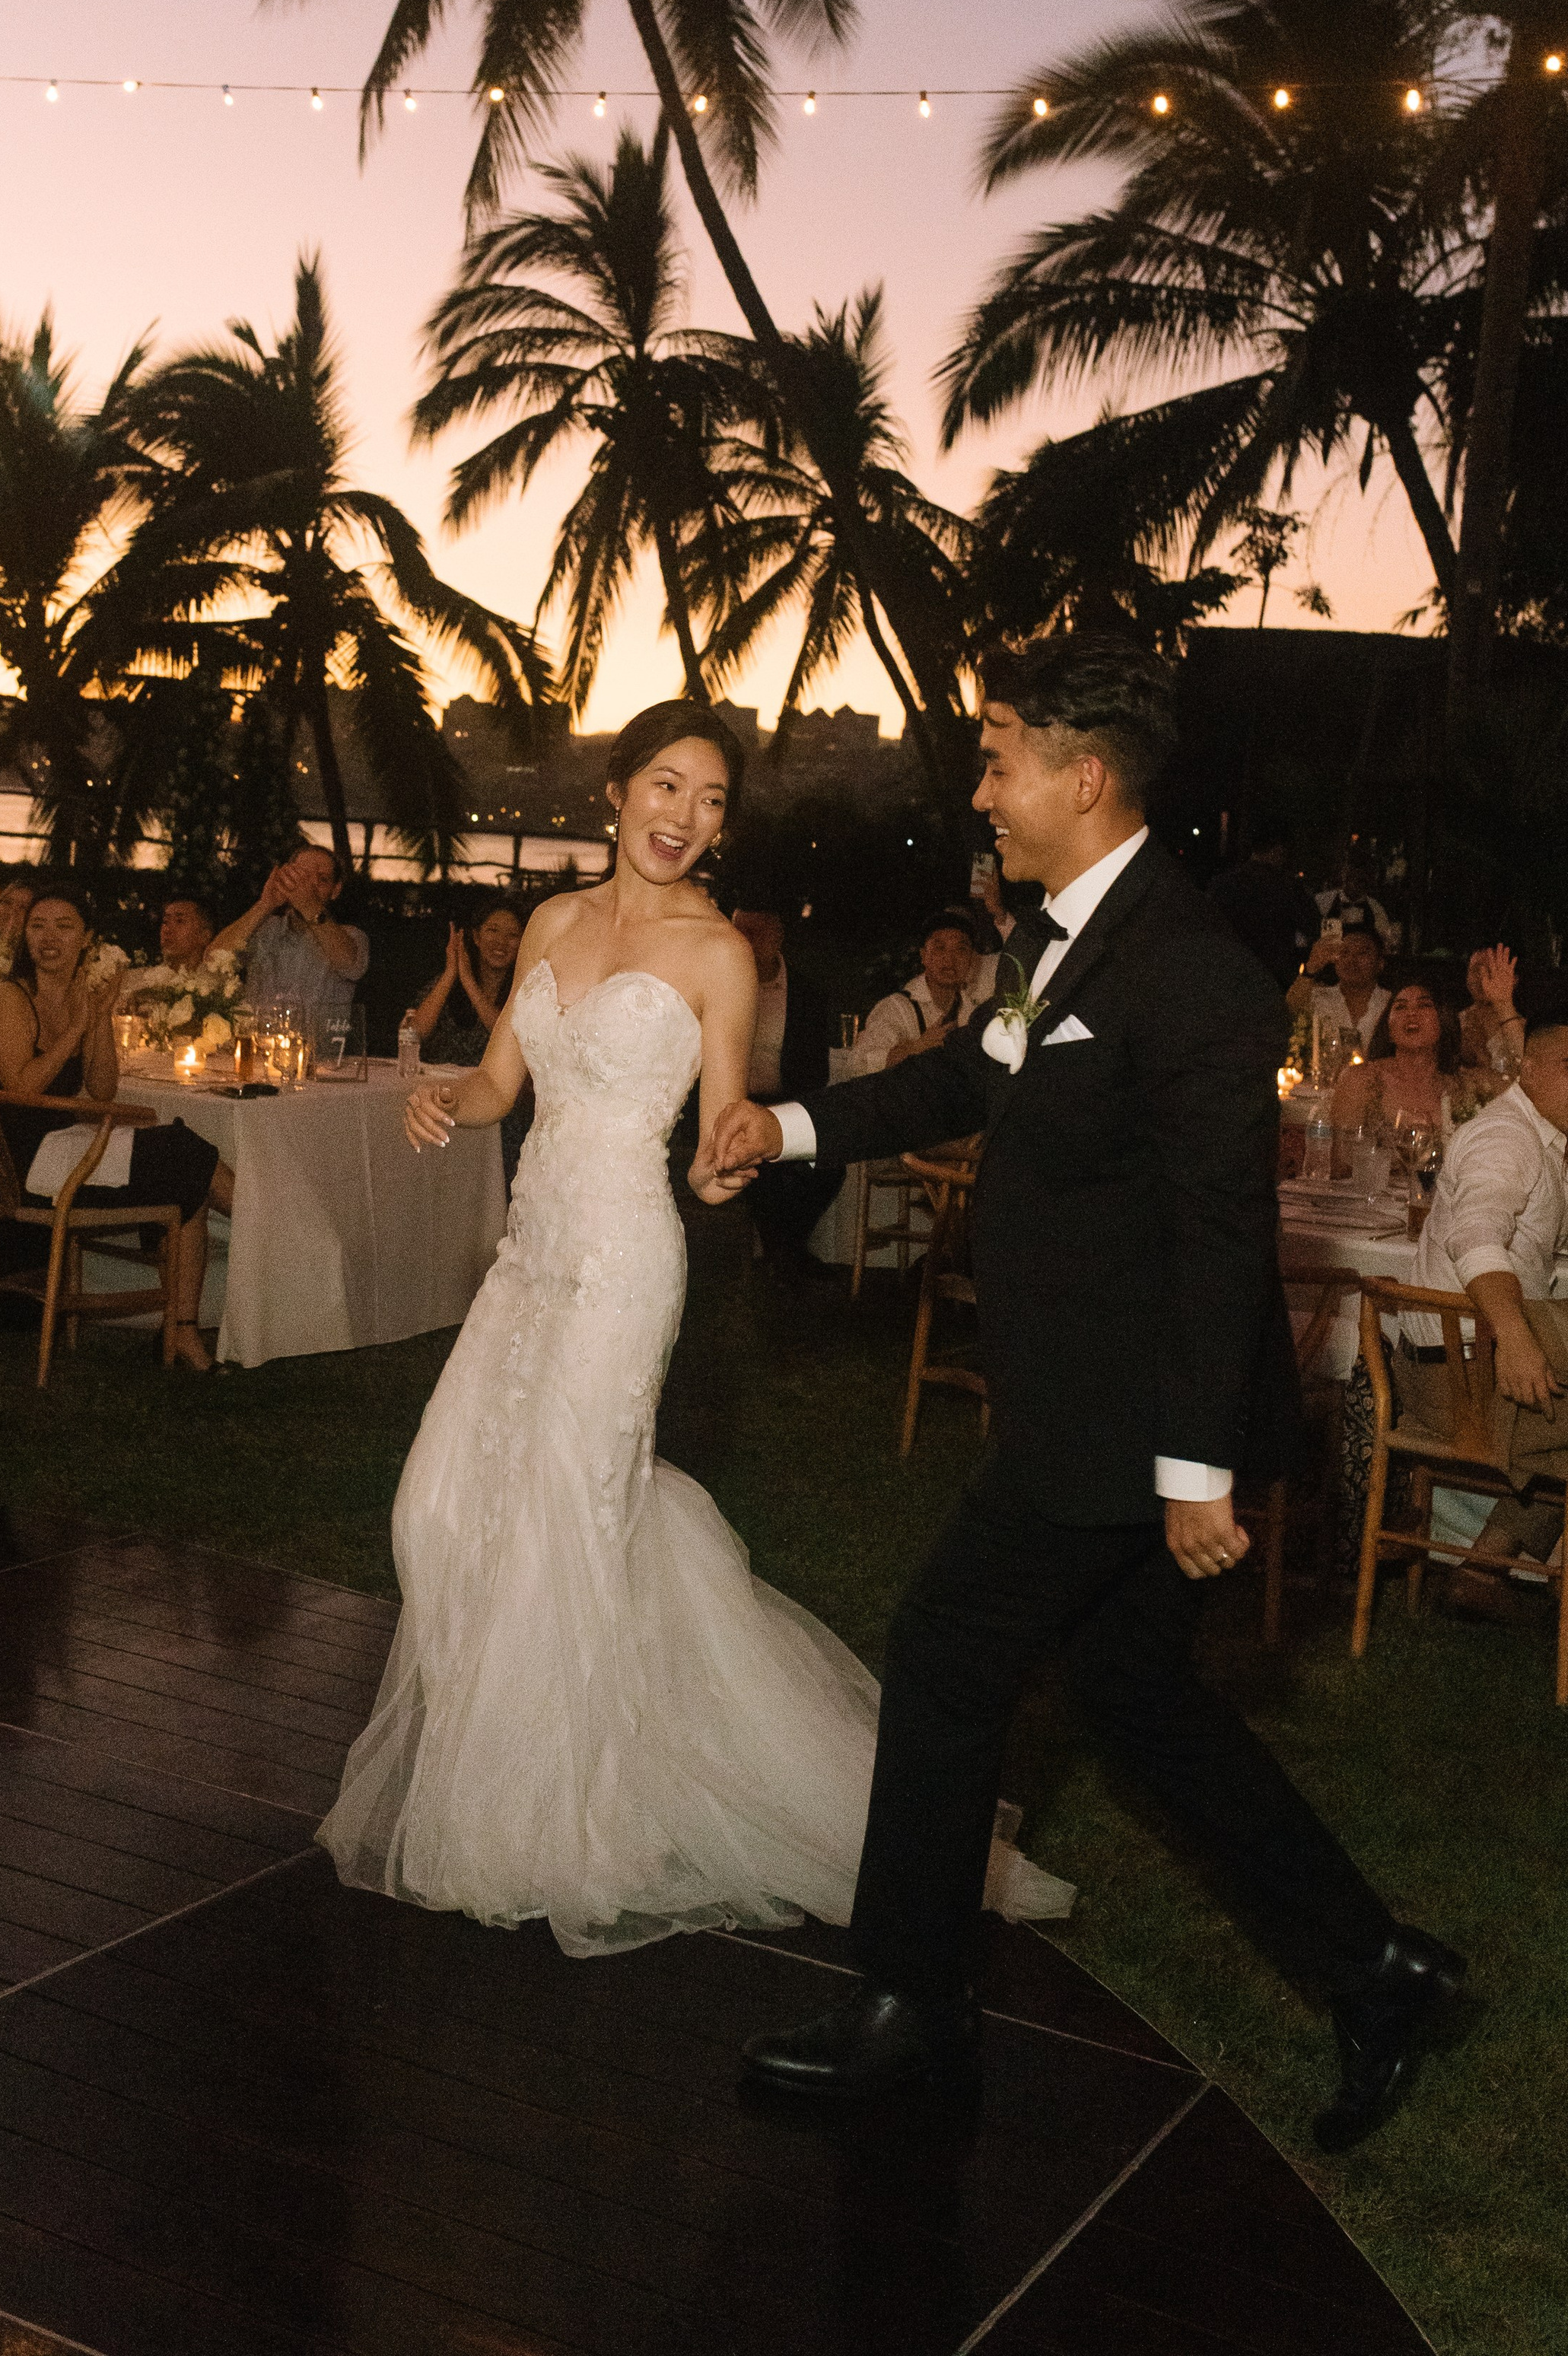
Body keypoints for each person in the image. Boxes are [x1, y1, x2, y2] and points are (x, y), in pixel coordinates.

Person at [709, 634, 1463, 2154]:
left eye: (995, 760)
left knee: (937, 1658)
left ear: (1081, 775)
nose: (977, 790)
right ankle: (1379, 1972)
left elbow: (1216, 1228)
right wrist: (782, 1129)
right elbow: (952, 1084)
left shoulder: (1186, 972)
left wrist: (1191, 1472)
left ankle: (906, 2006)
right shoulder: (1055, 941)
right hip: (1105, 1411)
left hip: (1125, 1426)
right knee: (1136, 1701)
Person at [317, 698, 1060, 1960]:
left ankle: (569, 1814)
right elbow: (505, 1082)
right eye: (669, 787)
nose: (687, 820)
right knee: (439, 1506)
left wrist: (729, 1166)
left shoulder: (718, 952)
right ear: (617, 789)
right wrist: (448, 1096)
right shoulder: (551, 922)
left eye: (713, 803)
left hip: (620, 1263)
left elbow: (722, 1128)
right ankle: (502, 1758)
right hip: (526, 1258)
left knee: (567, 1507)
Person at [0, 879, 233, 1372]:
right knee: (184, 1151)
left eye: (64, 926)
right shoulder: (10, 998)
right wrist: (76, 1025)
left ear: (86, 939)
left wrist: (99, 1017)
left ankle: (180, 1331)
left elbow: (102, 1090)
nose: (49, 937)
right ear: (25, 937)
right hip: (19, 1162)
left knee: (188, 1173)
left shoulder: (79, 995)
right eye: (37, 926)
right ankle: (273, 1239)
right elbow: (24, 1092)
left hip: (67, 1150)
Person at [1395, 981, 1568, 1627]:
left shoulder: (1548, 1141)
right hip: (1453, 1377)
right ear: (1527, 1065)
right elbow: (1474, 1236)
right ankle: (1488, 1569)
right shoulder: (1508, 1139)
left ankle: (1482, 1568)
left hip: (1466, 1363)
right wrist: (1518, 1338)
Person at [728, 903, 843, 1274]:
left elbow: (816, 1070)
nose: (747, 941)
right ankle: (786, 1259)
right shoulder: (721, 981)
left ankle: (785, 1250)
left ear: (777, 936)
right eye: (741, 931)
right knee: (762, 1173)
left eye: (757, 932)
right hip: (730, 1103)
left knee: (827, 1166)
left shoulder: (806, 992)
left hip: (787, 1103)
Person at [1331, 981, 1489, 1151]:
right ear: (1389, 1030)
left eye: (1424, 1005)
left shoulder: (1466, 1084)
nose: (1412, 1013)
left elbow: (1521, 1091)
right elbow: (1341, 1164)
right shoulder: (1361, 1080)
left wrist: (1504, 1006)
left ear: (1443, 1021)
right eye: (1400, 1007)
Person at [851, 906, 1000, 1075]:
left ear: (972, 958)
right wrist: (916, 1047)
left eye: (961, 949)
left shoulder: (972, 1007)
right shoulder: (897, 1008)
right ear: (924, 956)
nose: (950, 959)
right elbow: (859, 1063)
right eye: (940, 948)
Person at [240, 845, 369, 1019]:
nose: (309, 885)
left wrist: (308, 903)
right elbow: (212, 958)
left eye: (322, 880)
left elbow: (351, 965)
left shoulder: (351, 936)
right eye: (302, 876)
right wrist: (265, 904)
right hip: (257, 1043)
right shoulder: (265, 929)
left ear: (336, 890)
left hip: (314, 1046)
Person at [408, 898, 523, 1066]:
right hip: (437, 1086)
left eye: (513, 935)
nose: (501, 941)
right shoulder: (448, 982)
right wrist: (450, 973)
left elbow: (509, 1038)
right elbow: (413, 1033)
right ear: (476, 937)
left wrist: (469, 983)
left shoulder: (525, 992)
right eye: (493, 930)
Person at [1208, 824, 1320, 991]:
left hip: (1227, 971)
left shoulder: (1222, 883)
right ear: (1280, 850)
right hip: (1273, 975)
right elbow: (1312, 925)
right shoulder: (1288, 887)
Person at [1288, 921, 1391, 1054]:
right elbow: (1289, 1010)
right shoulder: (1318, 997)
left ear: (1380, 963)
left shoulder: (1391, 1002)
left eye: (1362, 953)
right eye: (1344, 952)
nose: (1351, 960)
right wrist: (1311, 968)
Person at [1460, 943, 1525, 1076]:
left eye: (1492, 971)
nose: (1483, 979)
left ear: (1514, 979)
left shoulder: (1526, 1029)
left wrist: (1503, 1003)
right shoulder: (1454, 1022)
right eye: (1476, 970)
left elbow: (1523, 1067)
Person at [1315, 854, 1399, 952]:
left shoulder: (1375, 908)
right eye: (1351, 878)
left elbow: (1386, 939)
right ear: (1344, 878)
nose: (1355, 884)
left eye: (1360, 881)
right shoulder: (1323, 901)